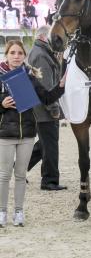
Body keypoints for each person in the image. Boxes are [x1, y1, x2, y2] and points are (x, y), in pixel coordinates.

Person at [0, 40, 65, 227]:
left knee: (20, 175)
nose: (16, 56)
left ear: (24, 56)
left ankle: (19, 213)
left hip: (27, 134)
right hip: (5, 134)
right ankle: (2, 212)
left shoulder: (29, 77)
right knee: (4, 175)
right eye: (12, 53)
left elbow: (46, 98)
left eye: (20, 53)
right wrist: (1, 104)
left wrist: (61, 86)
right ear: (7, 55)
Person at [27, 26, 67, 191]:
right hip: (45, 108)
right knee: (50, 145)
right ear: (45, 37)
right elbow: (46, 86)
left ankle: (19, 167)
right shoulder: (42, 55)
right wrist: (54, 108)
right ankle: (49, 181)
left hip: (39, 107)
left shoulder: (39, 51)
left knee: (44, 144)